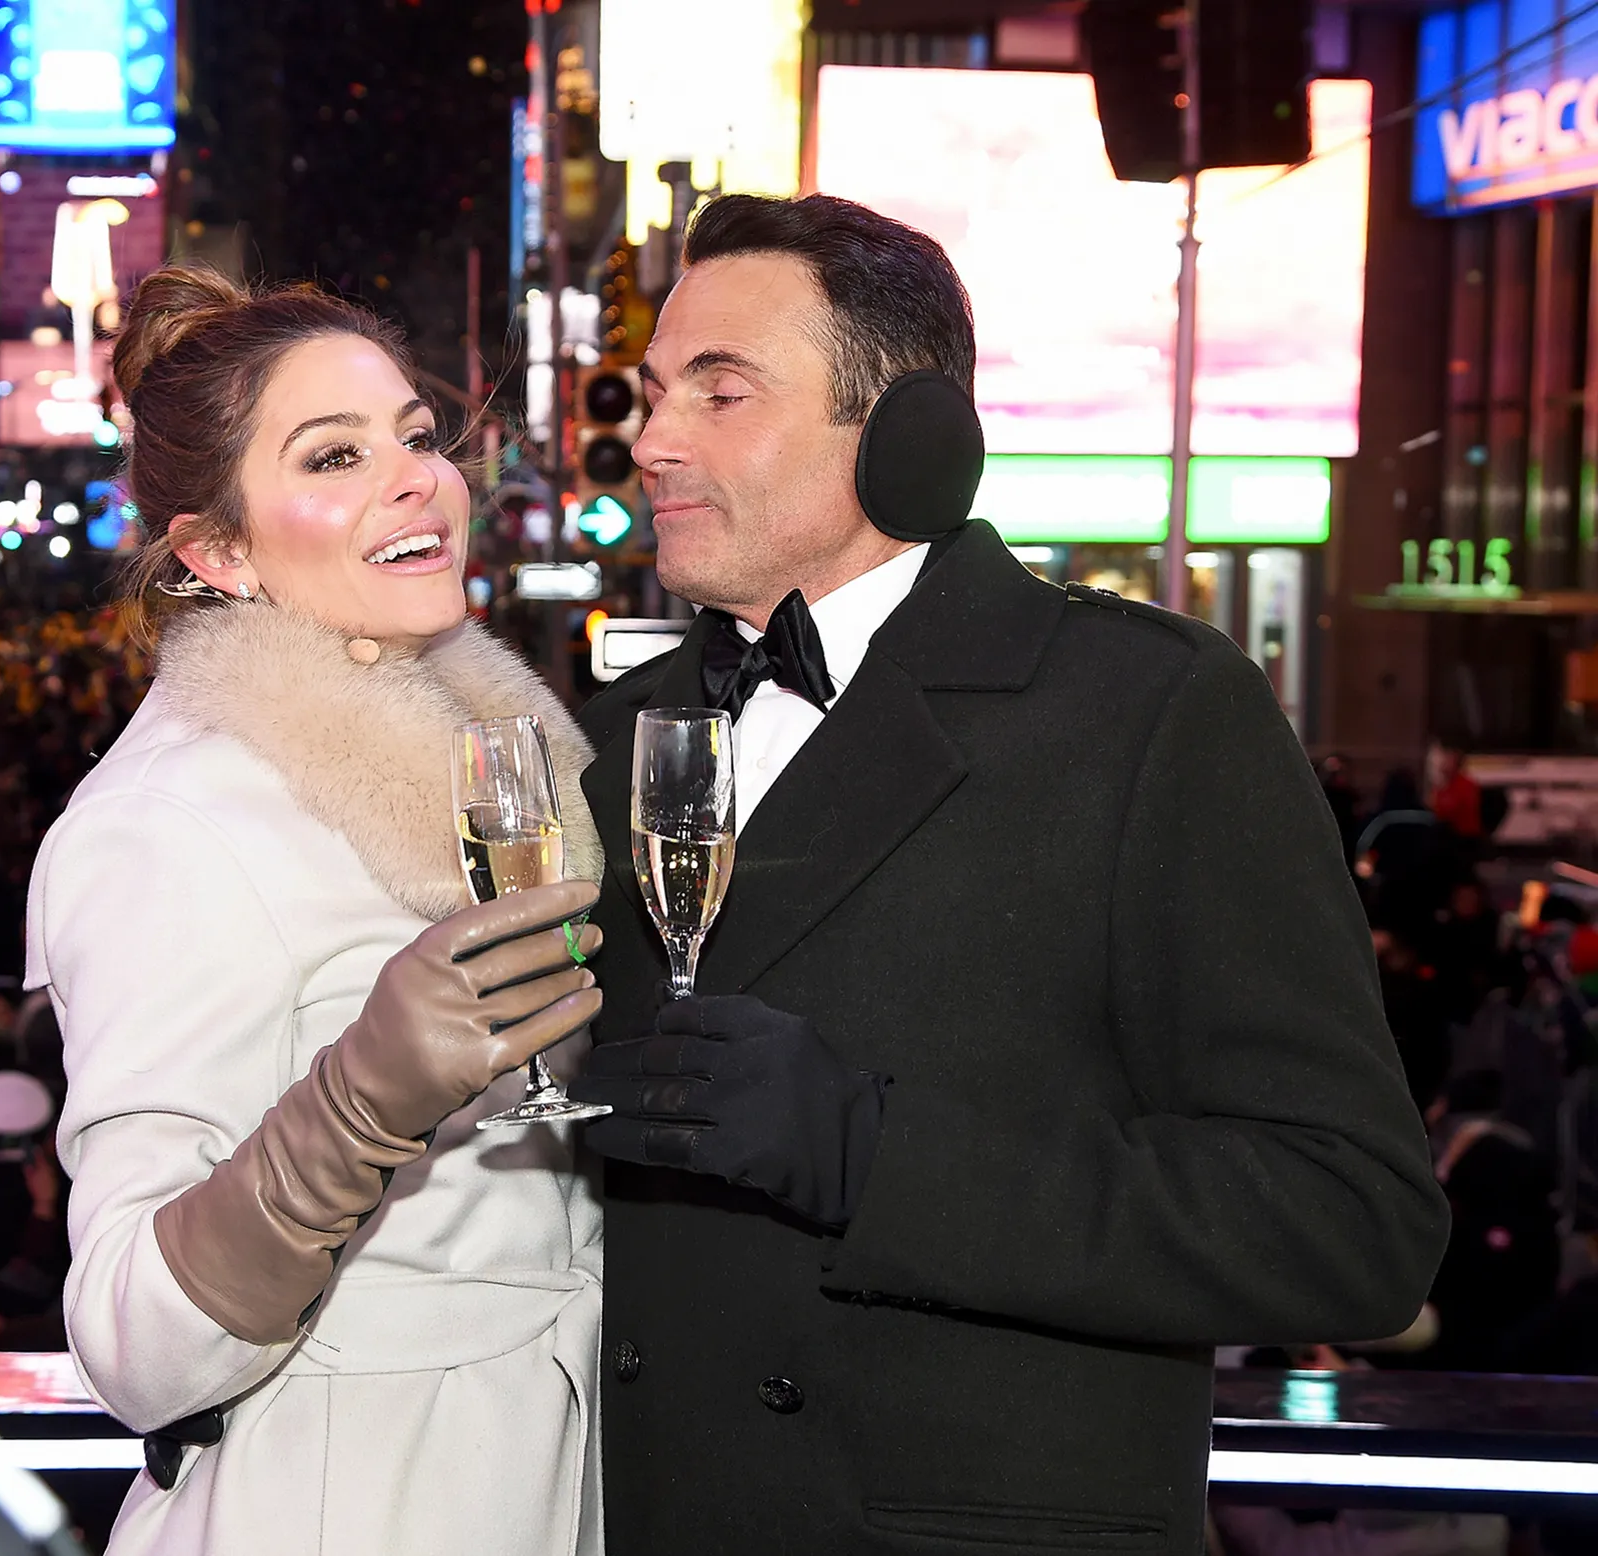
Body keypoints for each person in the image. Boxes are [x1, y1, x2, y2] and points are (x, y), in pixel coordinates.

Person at [566, 194, 1450, 1554]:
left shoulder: (1146, 713)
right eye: (650, 390)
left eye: (720, 391)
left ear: (909, 433)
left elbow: (1352, 1226)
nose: (653, 439)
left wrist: (877, 1155)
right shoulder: (619, 733)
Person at [27, 265, 608, 1556]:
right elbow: (128, 1342)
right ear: (216, 551)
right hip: (341, 1507)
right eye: (333, 456)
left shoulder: (485, 753)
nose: (416, 479)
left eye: (415, 436)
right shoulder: (163, 825)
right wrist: (353, 1108)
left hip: (530, 1480)